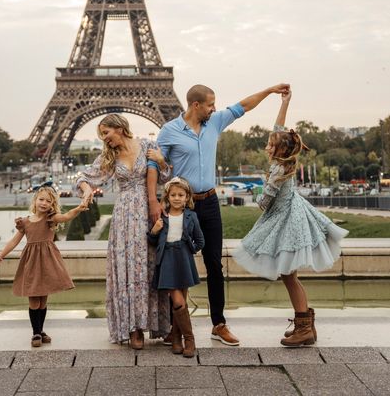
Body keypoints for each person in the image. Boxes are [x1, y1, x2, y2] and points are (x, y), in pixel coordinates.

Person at [150, 82, 291, 346]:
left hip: (211, 203)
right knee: (174, 262)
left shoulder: (214, 123)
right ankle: (175, 327)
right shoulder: (169, 131)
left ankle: (219, 324)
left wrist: (270, 90)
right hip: (184, 206)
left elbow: (243, 106)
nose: (215, 108)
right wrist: (153, 200)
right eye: (210, 104)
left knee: (215, 265)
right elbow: (155, 166)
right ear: (196, 105)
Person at [233, 90, 349, 347]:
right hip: (294, 217)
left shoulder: (277, 171)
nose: (266, 146)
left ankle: (304, 326)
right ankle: (305, 324)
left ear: (278, 148)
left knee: (289, 276)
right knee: (290, 276)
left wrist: (259, 194)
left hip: (286, 221)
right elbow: (279, 128)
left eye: (270, 144)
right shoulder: (285, 163)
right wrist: (284, 103)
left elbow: (264, 204)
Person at [76, 114, 171, 348]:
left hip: (148, 212)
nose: (104, 139)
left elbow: (167, 177)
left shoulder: (148, 146)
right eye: (102, 135)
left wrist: (161, 161)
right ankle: (133, 328)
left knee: (147, 267)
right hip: (124, 217)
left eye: (106, 133)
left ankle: (154, 324)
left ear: (119, 128)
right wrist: (87, 189)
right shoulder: (109, 157)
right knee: (127, 268)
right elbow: (83, 177)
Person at [0, 185, 88, 347]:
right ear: (35, 201)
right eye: (41, 199)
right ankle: (36, 333)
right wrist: (0, 256)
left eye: (48, 201)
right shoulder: (25, 222)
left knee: (42, 300)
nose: (44, 203)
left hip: (48, 262)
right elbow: (14, 241)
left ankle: (40, 330)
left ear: (52, 205)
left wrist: (78, 208)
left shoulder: (51, 219)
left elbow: (66, 217)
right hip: (31, 263)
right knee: (34, 299)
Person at [149, 176, 205, 358]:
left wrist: (189, 250)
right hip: (167, 260)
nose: (176, 198)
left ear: (187, 197)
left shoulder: (191, 216)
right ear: (167, 197)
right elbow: (152, 240)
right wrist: (154, 231)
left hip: (183, 259)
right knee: (178, 301)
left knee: (182, 302)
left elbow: (200, 240)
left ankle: (176, 337)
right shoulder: (162, 217)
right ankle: (190, 339)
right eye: (173, 195)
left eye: (181, 194)